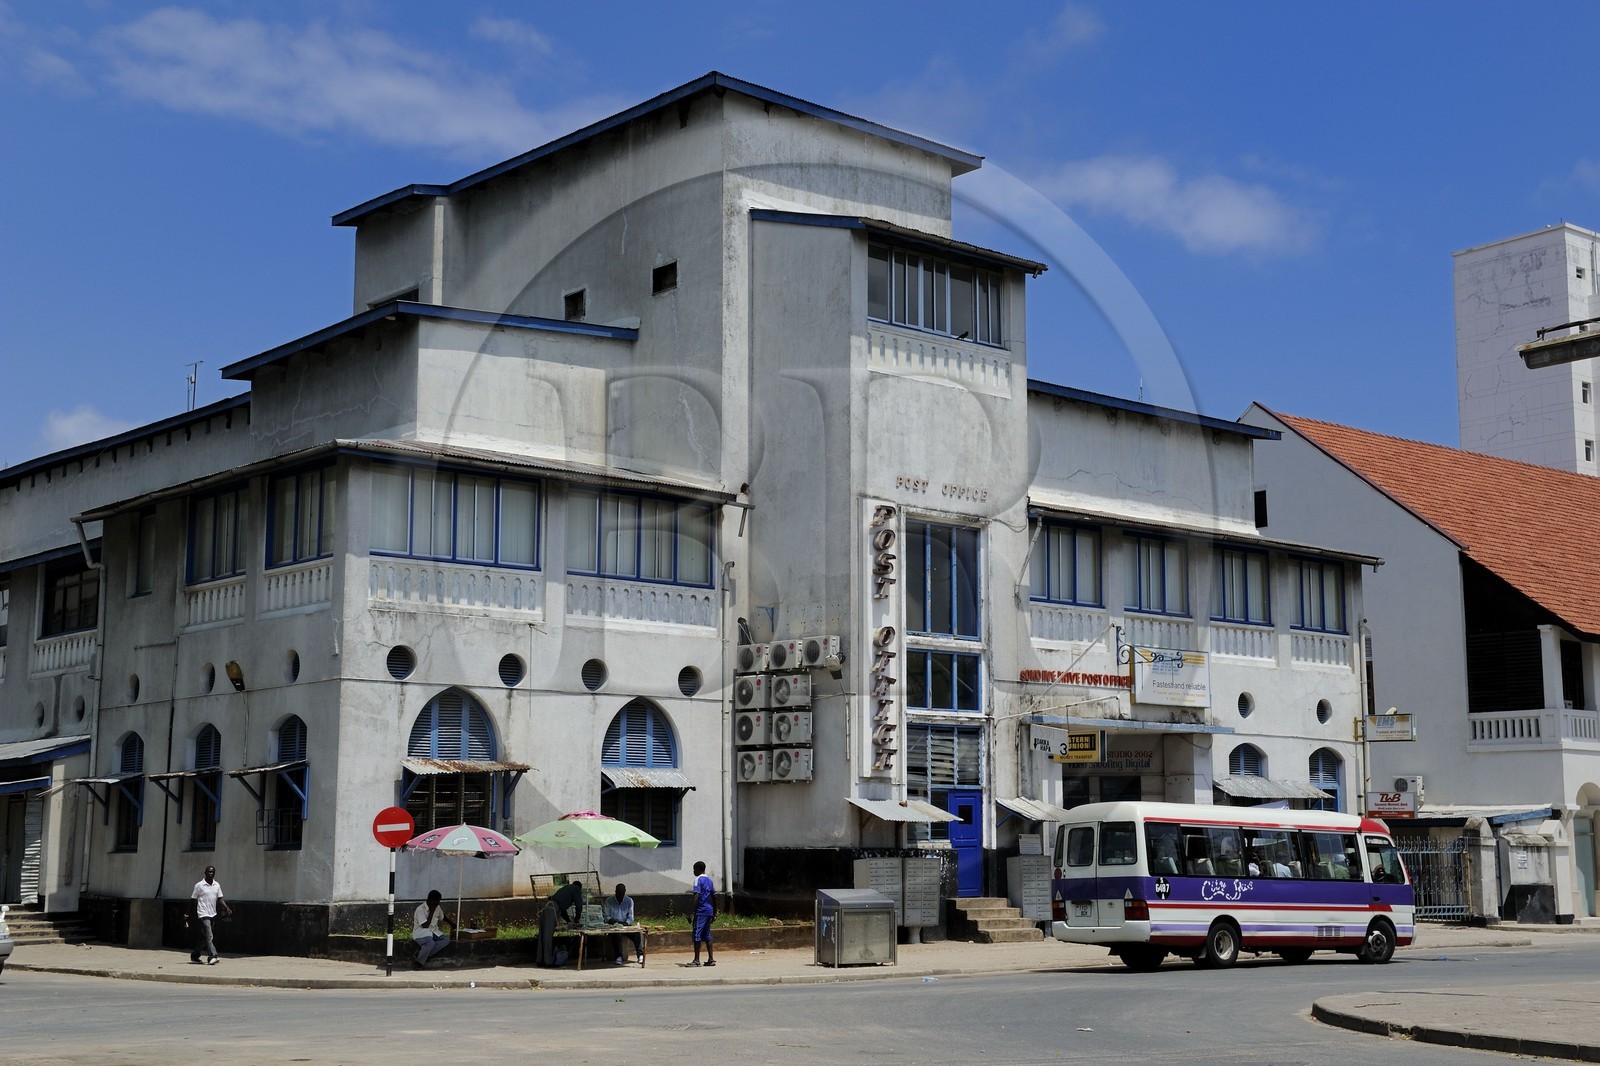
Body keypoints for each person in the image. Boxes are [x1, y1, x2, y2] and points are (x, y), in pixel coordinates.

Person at [187, 865, 233, 965]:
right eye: (209, 872)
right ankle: (213, 956)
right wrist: (187, 914)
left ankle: (195, 956)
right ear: (205, 873)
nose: (211, 874)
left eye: (212, 872)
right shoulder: (199, 885)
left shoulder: (217, 885)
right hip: (203, 914)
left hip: (213, 914)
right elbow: (192, 900)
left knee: (204, 938)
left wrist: (226, 908)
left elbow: (220, 899)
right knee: (209, 935)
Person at [412, 889, 454, 969]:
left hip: (433, 932)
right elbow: (425, 926)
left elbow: (442, 917)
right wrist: (431, 912)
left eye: (439, 902)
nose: (438, 904)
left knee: (446, 940)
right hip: (421, 933)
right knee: (430, 944)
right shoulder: (420, 909)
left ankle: (421, 954)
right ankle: (418, 963)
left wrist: (452, 924)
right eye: (436, 902)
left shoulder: (437, 907)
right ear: (431, 900)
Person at [605, 883, 644, 966]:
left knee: (637, 934)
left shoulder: (629, 901)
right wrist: (611, 920)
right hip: (613, 925)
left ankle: (640, 955)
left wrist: (626, 923)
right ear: (615, 892)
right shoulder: (609, 900)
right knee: (616, 934)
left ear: (625, 892)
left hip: (625, 925)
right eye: (618, 893)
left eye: (622, 894)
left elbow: (631, 916)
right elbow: (606, 915)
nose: (620, 896)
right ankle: (618, 956)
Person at [689, 860, 715, 966]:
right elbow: (715, 896)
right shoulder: (709, 880)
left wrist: (692, 911)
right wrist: (715, 912)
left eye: (694, 869)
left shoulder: (698, 880)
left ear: (698, 869)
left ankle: (696, 960)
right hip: (709, 911)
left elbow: (696, 896)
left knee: (697, 934)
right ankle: (711, 959)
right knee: (707, 935)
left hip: (701, 911)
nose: (693, 871)